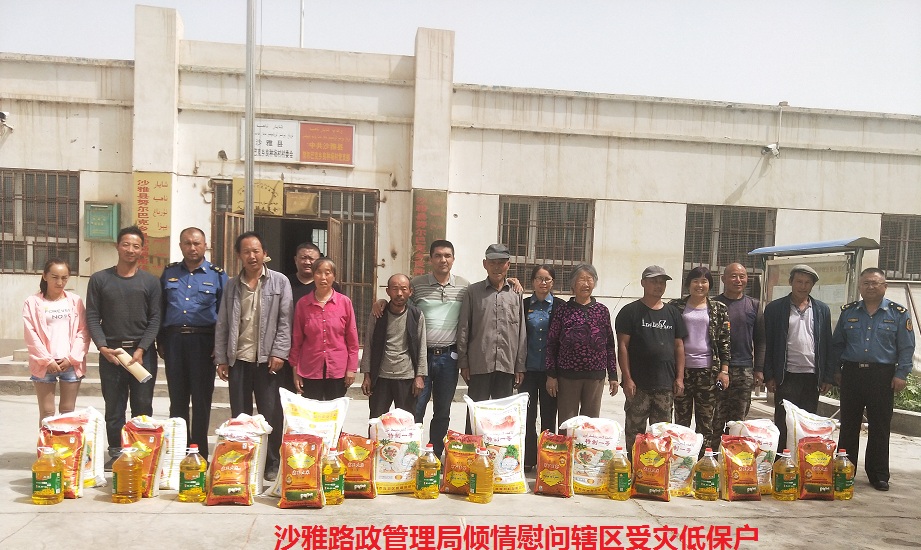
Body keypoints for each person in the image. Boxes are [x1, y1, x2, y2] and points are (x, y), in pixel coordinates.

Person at [215, 231, 292, 481]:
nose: (252, 256)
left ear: (265, 253)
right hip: (239, 358)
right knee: (240, 414)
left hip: (268, 360)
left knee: (271, 413)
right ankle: (242, 460)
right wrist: (221, 357)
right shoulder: (231, 285)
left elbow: (285, 321)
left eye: (256, 251)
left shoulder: (280, 282)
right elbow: (223, 322)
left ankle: (272, 462)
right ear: (239, 255)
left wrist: (279, 352)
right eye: (246, 251)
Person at [85, 226, 162, 469]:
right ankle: (117, 452)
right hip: (112, 354)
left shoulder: (150, 282)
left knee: (142, 405)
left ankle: (140, 451)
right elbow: (92, 316)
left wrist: (142, 349)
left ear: (142, 250)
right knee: (114, 407)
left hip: (142, 355)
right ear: (117, 246)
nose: (130, 249)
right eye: (126, 244)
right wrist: (102, 347)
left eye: (136, 246)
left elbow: (155, 319)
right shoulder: (100, 280)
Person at [833, 268, 915, 491]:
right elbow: (838, 344)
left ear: (884, 286)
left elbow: (906, 347)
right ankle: (844, 471)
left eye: (875, 283)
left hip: (882, 376)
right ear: (860, 287)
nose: (870, 287)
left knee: (880, 426)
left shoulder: (898, 313)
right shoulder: (849, 312)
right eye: (866, 283)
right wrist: (836, 370)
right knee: (849, 425)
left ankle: (878, 474)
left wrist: (901, 374)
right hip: (852, 374)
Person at [158, 227, 227, 461]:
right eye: (187, 243)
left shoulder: (217, 275)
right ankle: (178, 452)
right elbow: (161, 308)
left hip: (203, 342)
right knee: (177, 400)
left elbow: (224, 314)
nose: (192, 248)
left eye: (197, 243)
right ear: (180, 246)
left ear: (205, 245)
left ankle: (198, 453)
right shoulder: (169, 273)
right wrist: (161, 340)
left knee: (201, 400)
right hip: (174, 341)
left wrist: (219, 346)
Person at [759, 264, 834, 454]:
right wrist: (769, 375)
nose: (803, 286)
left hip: (812, 376)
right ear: (791, 282)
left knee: (807, 423)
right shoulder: (775, 309)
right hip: (786, 375)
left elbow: (827, 343)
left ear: (812, 285)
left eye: (807, 283)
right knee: (784, 421)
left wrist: (827, 376)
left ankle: (803, 460)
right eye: (799, 281)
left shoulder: (821, 310)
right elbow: (767, 343)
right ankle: (781, 461)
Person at [615, 265, 687, 453]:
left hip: (665, 385)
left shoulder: (673, 313)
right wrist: (627, 379)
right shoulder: (630, 311)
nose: (658, 285)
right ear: (643, 283)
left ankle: (656, 468)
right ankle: (633, 466)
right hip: (638, 386)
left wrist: (680, 378)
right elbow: (623, 346)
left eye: (662, 282)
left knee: (661, 436)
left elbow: (679, 346)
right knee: (634, 434)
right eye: (654, 281)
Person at [458, 244, 527, 433]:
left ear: (508, 265)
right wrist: (464, 362)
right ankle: (471, 448)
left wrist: (520, 365)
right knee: (475, 415)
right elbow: (464, 328)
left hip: (507, 365)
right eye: (492, 263)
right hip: (479, 364)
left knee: (502, 418)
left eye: (501, 263)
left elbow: (521, 331)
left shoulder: (516, 293)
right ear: (485, 264)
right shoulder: (473, 292)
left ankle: (498, 450)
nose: (497, 267)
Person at [545, 264, 618, 427]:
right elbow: (551, 344)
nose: (586, 284)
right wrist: (551, 375)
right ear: (573, 283)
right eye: (581, 280)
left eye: (589, 279)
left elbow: (609, 344)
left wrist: (613, 375)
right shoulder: (563, 310)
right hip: (567, 376)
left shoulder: (602, 310)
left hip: (595, 376)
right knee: (567, 424)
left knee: (590, 426)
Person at [668, 266, 731, 452]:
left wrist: (724, 371)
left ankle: (704, 460)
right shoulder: (675, 306)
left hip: (708, 372)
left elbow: (725, 341)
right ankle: (682, 457)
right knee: (681, 420)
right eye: (695, 281)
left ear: (710, 285)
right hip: (681, 371)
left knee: (706, 421)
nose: (700, 285)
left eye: (704, 281)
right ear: (688, 284)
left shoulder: (719, 309)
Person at [23, 258, 91, 426]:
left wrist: (72, 358)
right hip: (44, 365)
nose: (60, 282)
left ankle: (65, 444)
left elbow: (83, 331)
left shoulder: (75, 301)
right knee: (47, 413)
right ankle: (47, 443)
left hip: (70, 364)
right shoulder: (33, 302)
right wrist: (47, 360)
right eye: (55, 277)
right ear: (45, 276)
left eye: (64, 278)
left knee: (68, 411)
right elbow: (31, 334)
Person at [290, 257, 359, 401]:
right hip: (310, 369)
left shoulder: (344, 303)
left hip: (338, 369)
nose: (323, 277)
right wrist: (295, 369)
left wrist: (351, 369)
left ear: (334, 276)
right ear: (313, 275)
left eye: (327, 273)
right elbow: (297, 339)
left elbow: (352, 340)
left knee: (334, 411)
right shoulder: (303, 304)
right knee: (312, 411)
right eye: (319, 272)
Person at [359, 274, 427, 418]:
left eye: (403, 289)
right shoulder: (378, 314)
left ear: (410, 292)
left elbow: (422, 347)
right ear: (388, 291)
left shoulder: (416, 315)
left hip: (406, 377)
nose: (399, 293)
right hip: (380, 376)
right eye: (395, 289)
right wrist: (366, 375)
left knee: (406, 422)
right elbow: (369, 344)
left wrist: (420, 376)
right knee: (377, 421)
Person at [520, 265, 565, 470]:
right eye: (539, 278)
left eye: (547, 279)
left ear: (553, 282)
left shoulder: (560, 306)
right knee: (528, 417)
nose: (543, 282)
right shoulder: (523, 305)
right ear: (532, 282)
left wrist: (554, 374)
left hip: (550, 373)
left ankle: (547, 460)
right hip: (527, 370)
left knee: (548, 416)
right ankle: (529, 459)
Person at [713, 262, 765, 433]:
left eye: (742, 276)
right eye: (733, 276)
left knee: (737, 421)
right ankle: (711, 449)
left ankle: (733, 449)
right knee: (715, 418)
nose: (738, 280)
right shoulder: (713, 304)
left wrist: (759, 369)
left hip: (744, 370)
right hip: (717, 369)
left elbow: (761, 340)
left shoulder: (753, 305)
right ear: (723, 279)